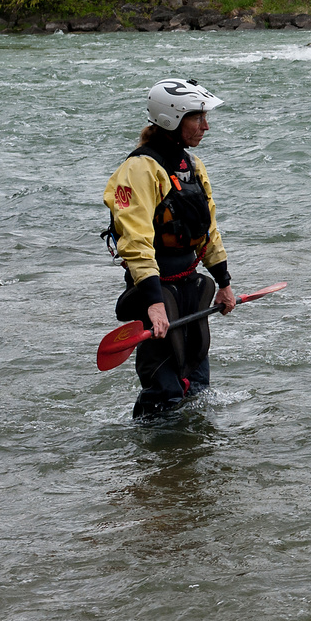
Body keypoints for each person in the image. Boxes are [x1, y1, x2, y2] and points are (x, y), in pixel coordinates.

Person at [103, 79, 238, 418]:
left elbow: (209, 231)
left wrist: (223, 283)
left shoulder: (192, 167)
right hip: (156, 288)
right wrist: (154, 304)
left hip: (191, 286)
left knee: (198, 385)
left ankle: (190, 464)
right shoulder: (139, 169)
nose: (205, 126)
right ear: (172, 119)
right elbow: (135, 241)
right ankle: (153, 460)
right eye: (198, 118)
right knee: (164, 391)